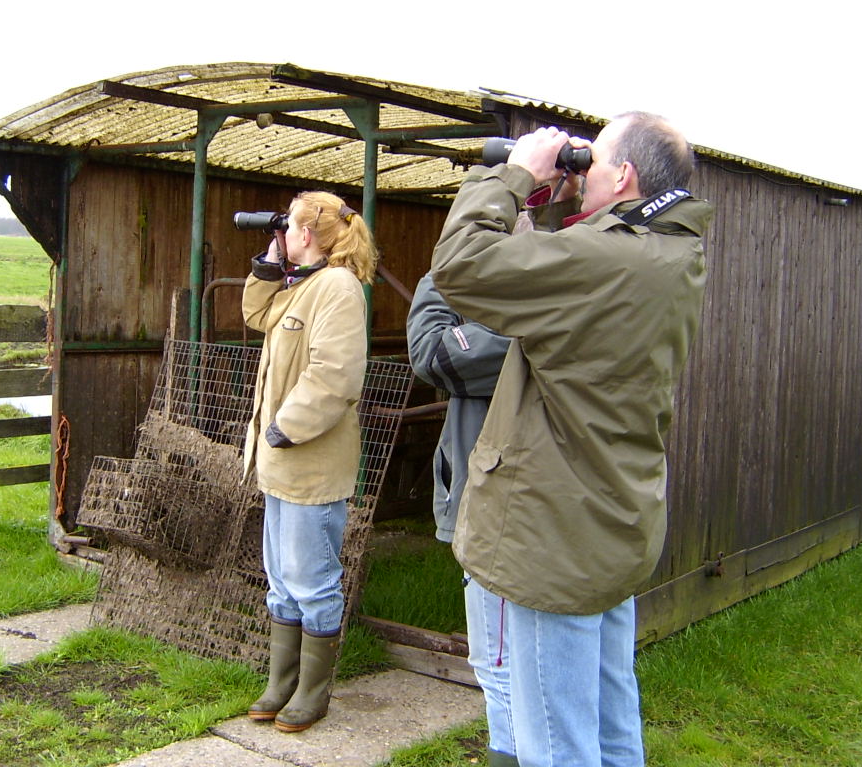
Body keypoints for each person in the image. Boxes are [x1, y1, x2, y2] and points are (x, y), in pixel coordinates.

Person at [430, 112, 713, 767]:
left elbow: (461, 265)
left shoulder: (609, 260)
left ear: (623, 175)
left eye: (594, 161)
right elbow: (577, 282)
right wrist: (558, 204)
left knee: (554, 747)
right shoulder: (671, 253)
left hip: (553, 537)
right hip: (609, 522)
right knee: (612, 726)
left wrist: (513, 176)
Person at [241, 190, 377, 733]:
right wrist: (271, 262)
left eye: (291, 227)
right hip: (278, 465)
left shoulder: (339, 289)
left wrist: (282, 430)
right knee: (280, 579)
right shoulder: (303, 284)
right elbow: (255, 313)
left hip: (309, 462)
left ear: (310, 234)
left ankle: (313, 692)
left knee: (312, 579)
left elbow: (335, 377)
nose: (286, 233)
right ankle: (282, 682)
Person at [405, 273, 518, 766]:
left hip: (501, 510)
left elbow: (433, 354)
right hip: (528, 504)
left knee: (499, 663)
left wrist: (441, 274)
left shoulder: (544, 306)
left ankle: (511, 754)